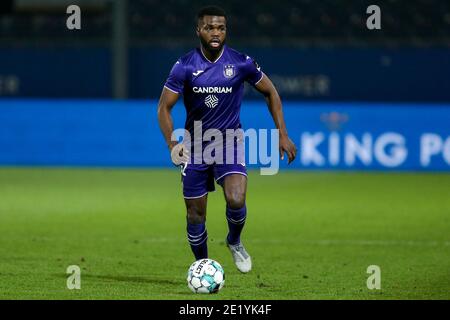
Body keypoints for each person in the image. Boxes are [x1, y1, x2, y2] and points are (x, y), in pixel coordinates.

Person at [157, 5, 297, 273]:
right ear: (198, 30)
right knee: (195, 214)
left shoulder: (241, 62)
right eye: (210, 27)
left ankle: (234, 241)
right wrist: (172, 145)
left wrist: (282, 133)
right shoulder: (184, 66)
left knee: (236, 198)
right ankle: (204, 266)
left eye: (221, 27)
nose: (216, 32)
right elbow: (164, 107)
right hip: (195, 147)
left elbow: (271, 92)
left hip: (229, 143)